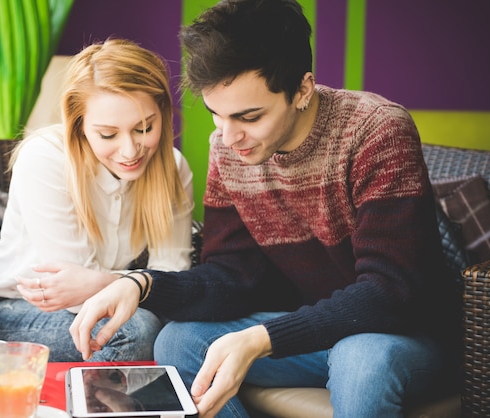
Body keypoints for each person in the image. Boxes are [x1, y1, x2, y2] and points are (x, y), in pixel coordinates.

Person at [70, 1, 461, 416]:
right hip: (311, 335)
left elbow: (389, 293)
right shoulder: (228, 146)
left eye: (249, 116)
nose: (230, 137)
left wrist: (261, 338)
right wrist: (140, 284)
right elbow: (231, 276)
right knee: (178, 341)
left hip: (400, 337)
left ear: (303, 90)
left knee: (359, 359)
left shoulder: (376, 131)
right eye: (216, 115)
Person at [0, 38, 194, 363]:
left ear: (163, 113)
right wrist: (140, 285)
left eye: (144, 128)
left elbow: (174, 278)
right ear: (79, 125)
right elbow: (71, 292)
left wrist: (104, 281)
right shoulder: (46, 158)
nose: (129, 150)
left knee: (180, 333)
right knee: (135, 333)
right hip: (0, 310)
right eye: (108, 134)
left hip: (106, 304)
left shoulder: (174, 168)